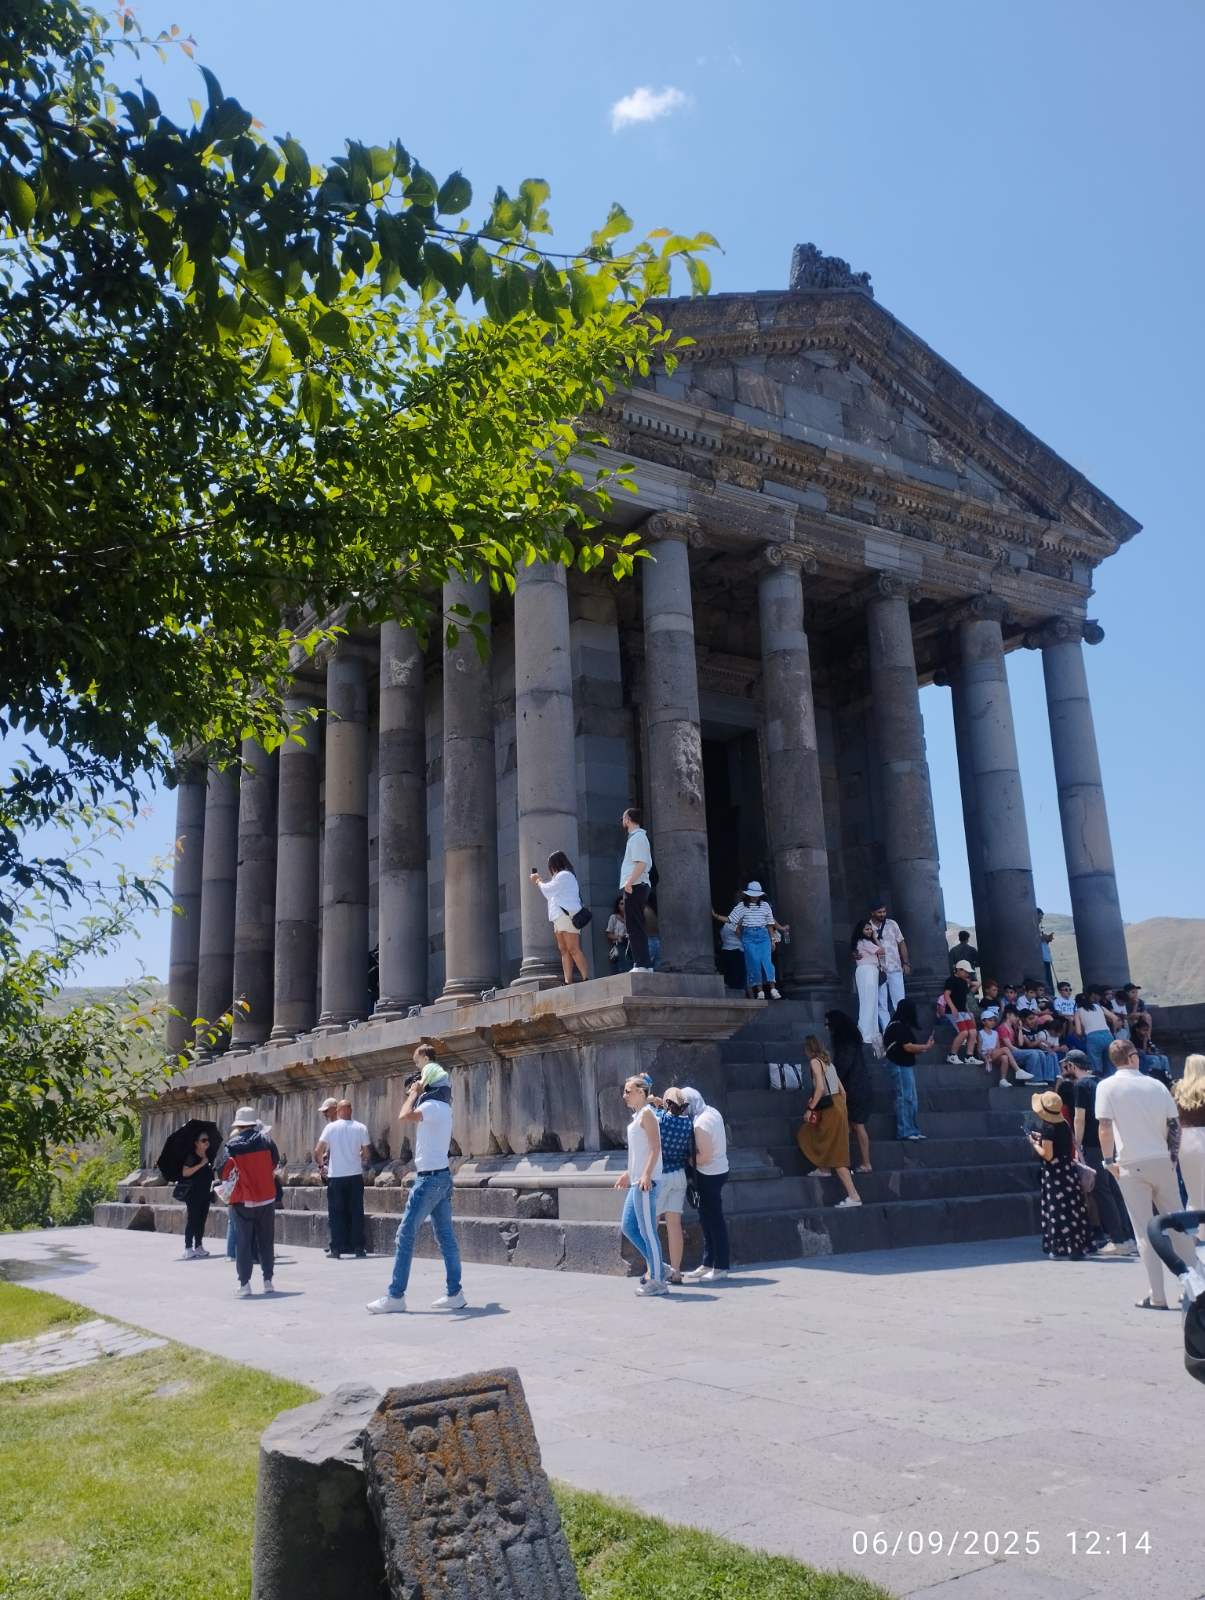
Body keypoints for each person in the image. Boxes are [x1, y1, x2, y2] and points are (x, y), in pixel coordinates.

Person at [1096, 1037, 1197, 1309]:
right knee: (1178, 1226)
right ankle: (1194, 1287)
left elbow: (1104, 1127)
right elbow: (1174, 1124)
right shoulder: (1156, 1085)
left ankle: (1157, 1295)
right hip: (1161, 1160)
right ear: (1132, 1057)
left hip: (1131, 1163)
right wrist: (1172, 1157)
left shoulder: (1106, 1086)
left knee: (1144, 1231)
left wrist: (1108, 1161)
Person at [367, 1047, 466, 1314]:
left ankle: (395, 1295)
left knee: (405, 1234)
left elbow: (403, 1115)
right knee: (445, 1236)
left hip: (429, 1180)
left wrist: (414, 1093)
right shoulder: (444, 1106)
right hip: (442, 1177)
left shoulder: (431, 1106)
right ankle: (455, 1293)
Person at [1060, 1051, 1135, 1254]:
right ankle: (1128, 1236)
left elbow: (1080, 1118)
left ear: (1072, 1066)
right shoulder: (1101, 1082)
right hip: (1111, 1141)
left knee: (1102, 1191)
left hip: (1093, 1144)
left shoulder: (1081, 1086)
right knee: (1115, 1190)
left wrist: (1077, 1144)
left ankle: (1119, 1240)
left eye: (1066, 1065)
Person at [613, 1074, 666, 1295]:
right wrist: (629, 1173)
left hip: (646, 1182)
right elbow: (641, 1151)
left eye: (628, 1091)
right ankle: (658, 1265)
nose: (624, 1095)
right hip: (637, 1181)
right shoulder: (638, 1116)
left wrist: (645, 1174)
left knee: (648, 1231)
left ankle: (658, 1280)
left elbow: (655, 1147)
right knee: (628, 1226)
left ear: (641, 1092)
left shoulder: (647, 1115)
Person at [222, 1107, 280, 1299]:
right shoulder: (267, 1141)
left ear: (238, 1125)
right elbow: (274, 1163)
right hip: (266, 1197)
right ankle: (268, 1280)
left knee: (243, 1242)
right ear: (254, 1123)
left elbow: (223, 1171)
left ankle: (245, 1283)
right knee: (266, 1240)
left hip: (243, 1198)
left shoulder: (231, 1145)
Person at [796, 1036, 862, 1207]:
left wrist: (810, 1107)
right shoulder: (829, 1063)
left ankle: (854, 1195)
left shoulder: (814, 1062)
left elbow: (820, 1088)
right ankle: (824, 1168)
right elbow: (842, 1091)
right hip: (838, 1105)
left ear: (808, 1049)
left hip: (830, 1109)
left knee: (836, 1153)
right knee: (817, 1133)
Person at [1028, 1090, 1091, 1260]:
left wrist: (1034, 1144)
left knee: (1058, 1210)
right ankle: (1077, 1246)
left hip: (1055, 1175)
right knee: (1073, 1209)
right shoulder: (1064, 1124)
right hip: (1068, 1171)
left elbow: (1047, 1155)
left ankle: (1060, 1248)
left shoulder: (1048, 1128)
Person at [679, 1086, 730, 1282]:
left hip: (709, 1174)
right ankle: (708, 1262)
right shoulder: (711, 1111)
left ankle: (721, 1267)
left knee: (714, 1221)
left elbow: (705, 1156)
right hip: (718, 1170)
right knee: (706, 1219)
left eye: (684, 1106)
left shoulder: (700, 1122)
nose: (682, 1111)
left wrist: (687, 1160)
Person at [316, 1098, 371, 1260]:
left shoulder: (330, 1127)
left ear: (338, 1111)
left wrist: (322, 1166)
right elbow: (366, 1154)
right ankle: (359, 1248)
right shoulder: (361, 1127)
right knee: (356, 1211)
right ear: (351, 1110)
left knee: (336, 1213)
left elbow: (318, 1150)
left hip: (336, 1176)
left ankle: (336, 1249)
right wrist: (358, 1155)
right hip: (355, 1175)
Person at [652, 1089, 694, 1284]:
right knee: (674, 1226)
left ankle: (653, 1270)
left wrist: (654, 1101)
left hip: (661, 1175)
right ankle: (676, 1271)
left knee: (652, 1225)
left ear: (668, 1104)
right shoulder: (688, 1123)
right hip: (679, 1175)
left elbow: (649, 1114)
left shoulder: (660, 1119)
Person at [529, 851, 590, 985]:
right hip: (559, 918)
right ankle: (568, 981)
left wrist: (538, 880)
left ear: (554, 864)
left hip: (567, 916)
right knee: (564, 950)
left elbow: (547, 890)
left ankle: (586, 978)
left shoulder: (564, 875)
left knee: (573, 949)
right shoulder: (562, 876)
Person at [826, 1009, 873, 1172]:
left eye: (828, 1024)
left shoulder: (845, 1045)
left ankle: (863, 1163)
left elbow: (842, 1066)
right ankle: (861, 1162)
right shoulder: (853, 1042)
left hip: (853, 1089)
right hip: (860, 1087)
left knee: (857, 1125)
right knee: (856, 1125)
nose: (827, 1028)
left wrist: (830, 1080)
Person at [881, 998, 931, 1141]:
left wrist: (923, 1048)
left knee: (911, 1098)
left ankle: (912, 1129)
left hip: (904, 1064)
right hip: (899, 1065)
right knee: (905, 1098)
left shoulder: (899, 1025)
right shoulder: (898, 1027)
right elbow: (907, 1047)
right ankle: (905, 1131)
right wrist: (925, 1047)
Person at [726, 882, 787, 1001]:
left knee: (767, 964)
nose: (755, 897)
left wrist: (773, 939)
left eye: (757, 895)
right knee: (754, 965)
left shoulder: (764, 906)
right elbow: (735, 925)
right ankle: (758, 992)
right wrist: (744, 938)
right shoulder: (742, 908)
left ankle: (772, 989)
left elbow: (770, 923)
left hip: (763, 938)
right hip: (748, 940)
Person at [618, 807, 653, 973]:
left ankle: (642, 964)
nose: (622, 821)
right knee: (635, 925)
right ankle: (643, 964)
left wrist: (629, 882)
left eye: (623, 818)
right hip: (637, 884)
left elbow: (641, 863)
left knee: (634, 926)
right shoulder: (637, 837)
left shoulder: (638, 837)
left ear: (628, 819)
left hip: (636, 885)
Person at [1173, 1055, 1205, 1215]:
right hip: (1202, 1135)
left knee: (1193, 1190)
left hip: (1185, 1140)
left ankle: (1198, 1226)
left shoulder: (1178, 1089)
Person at [870, 902, 909, 1031]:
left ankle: (902, 1030)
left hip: (895, 967)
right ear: (872, 913)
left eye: (884, 912)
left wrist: (906, 962)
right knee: (881, 1004)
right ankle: (888, 1032)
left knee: (900, 1002)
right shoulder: (867, 927)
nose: (882, 914)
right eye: (879, 912)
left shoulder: (892, 924)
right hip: (878, 970)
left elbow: (901, 942)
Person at [851, 919, 884, 1052]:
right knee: (869, 1002)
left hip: (868, 971)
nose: (870, 931)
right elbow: (882, 950)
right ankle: (865, 1034)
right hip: (868, 971)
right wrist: (875, 938)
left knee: (870, 1002)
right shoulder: (864, 942)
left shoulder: (860, 942)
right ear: (861, 930)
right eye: (867, 929)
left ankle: (871, 1034)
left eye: (870, 929)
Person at [940, 962, 983, 1065]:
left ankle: (969, 1056)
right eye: (966, 971)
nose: (967, 974)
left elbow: (964, 998)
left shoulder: (963, 982)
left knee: (973, 1032)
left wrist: (968, 1011)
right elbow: (946, 995)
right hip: (953, 1012)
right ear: (959, 970)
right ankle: (952, 1055)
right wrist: (952, 1007)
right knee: (964, 1032)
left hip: (963, 1011)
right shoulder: (950, 980)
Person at [180, 1131, 213, 1260]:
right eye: (203, 1140)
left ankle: (198, 1245)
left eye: (207, 1140)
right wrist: (201, 1164)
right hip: (193, 1193)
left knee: (202, 1220)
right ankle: (188, 1247)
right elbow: (185, 1172)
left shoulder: (209, 1156)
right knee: (193, 1219)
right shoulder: (192, 1156)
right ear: (196, 1143)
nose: (207, 1142)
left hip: (205, 1192)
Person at [1074, 990, 1115, 1073]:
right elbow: (1115, 1018)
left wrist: (1081, 1037)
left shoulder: (1078, 1011)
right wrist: (1113, 1031)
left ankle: (1098, 1080)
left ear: (1077, 1003)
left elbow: (1078, 1032)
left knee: (1096, 1066)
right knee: (1110, 1064)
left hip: (1093, 1037)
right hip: (1108, 1035)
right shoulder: (1099, 1007)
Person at [712, 899, 747, 991]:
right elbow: (739, 934)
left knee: (731, 975)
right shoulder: (733, 923)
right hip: (736, 951)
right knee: (737, 977)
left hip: (727, 950)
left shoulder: (725, 925)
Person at [606, 896, 629, 970]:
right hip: (619, 944)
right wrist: (618, 937)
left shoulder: (631, 917)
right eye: (621, 904)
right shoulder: (614, 917)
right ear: (618, 906)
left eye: (625, 904)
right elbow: (609, 934)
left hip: (631, 945)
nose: (623, 906)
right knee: (622, 967)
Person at [1035, 908, 1055, 990]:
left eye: (1041, 918)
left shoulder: (1038, 928)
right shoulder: (1031, 928)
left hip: (1045, 958)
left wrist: (1047, 940)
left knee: (1049, 981)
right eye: (1039, 918)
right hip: (1040, 960)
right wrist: (1042, 938)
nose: (1040, 920)